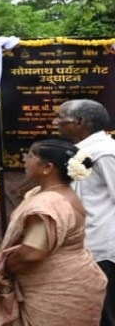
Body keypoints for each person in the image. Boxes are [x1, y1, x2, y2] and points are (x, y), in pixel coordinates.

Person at [0, 138, 108, 324]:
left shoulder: (49, 203)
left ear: (47, 167)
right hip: (74, 277)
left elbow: (32, 253)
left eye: (31, 155)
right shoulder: (53, 193)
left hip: (56, 287)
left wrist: (1, 268)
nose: (25, 158)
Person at [54, 99, 115, 325]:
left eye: (61, 117)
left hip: (102, 247)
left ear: (79, 122)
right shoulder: (81, 150)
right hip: (81, 245)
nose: (56, 122)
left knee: (104, 311)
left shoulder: (105, 153)